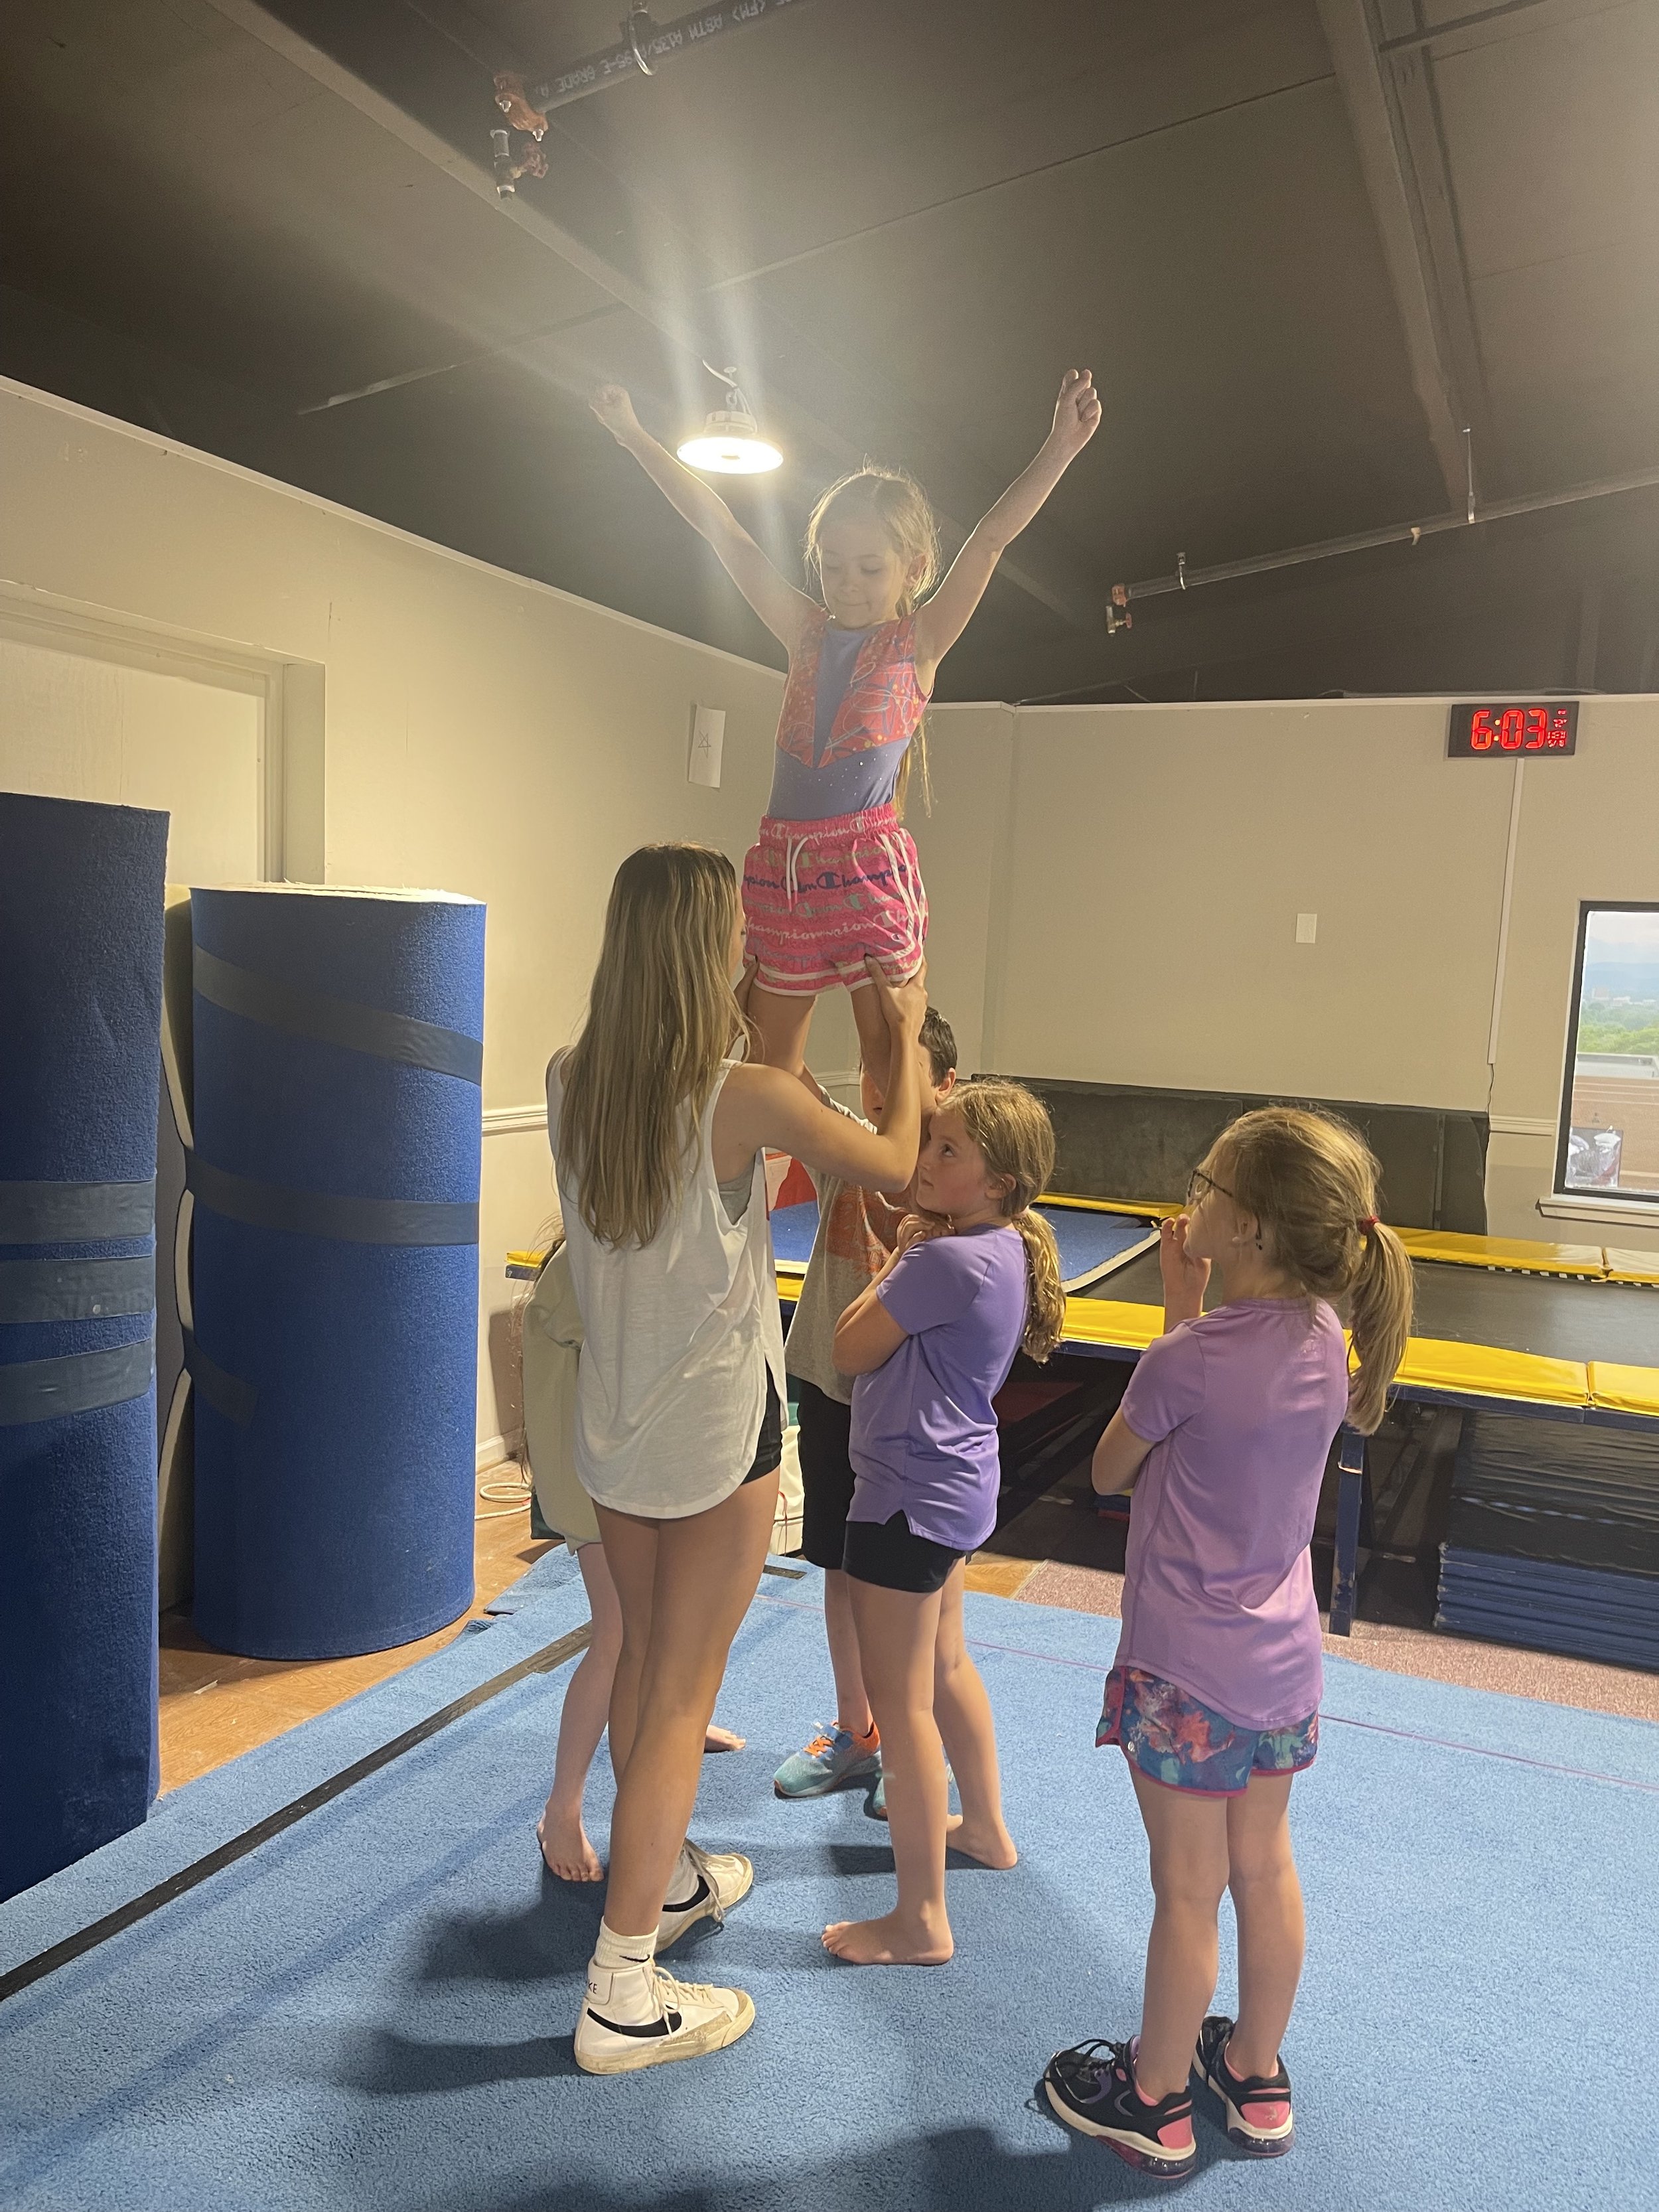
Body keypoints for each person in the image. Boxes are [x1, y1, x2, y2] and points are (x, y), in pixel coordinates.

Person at [548, 842, 928, 2075]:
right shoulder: (733, 1096)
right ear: (717, 952)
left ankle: (656, 1894)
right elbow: (899, 1160)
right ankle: (622, 1990)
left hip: (617, 1432)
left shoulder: (573, 1079)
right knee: (676, 1702)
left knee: (650, 1673)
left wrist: (789, 1003)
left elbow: (750, 1130)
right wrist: (907, 1027)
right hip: (713, 1437)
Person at [1044, 1109, 1413, 2175]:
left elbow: (1114, 1470)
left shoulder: (1188, 1358)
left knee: (1186, 1892)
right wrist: (1185, 1313)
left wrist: (1177, 1322)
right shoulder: (1326, 1347)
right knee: (1266, 1865)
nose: (1188, 1197)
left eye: (1204, 1184)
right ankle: (1254, 2070)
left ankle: (1153, 2095)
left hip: (1184, 1668)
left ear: (1245, 1225)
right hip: (1283, 1663)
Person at [589, 372, 1100, 1087]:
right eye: (832, 566)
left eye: (868, 568)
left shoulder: (917, 642)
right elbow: (726, 534)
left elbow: (987, 542)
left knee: (888, 1063)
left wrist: (1060, 447)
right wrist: (635, 435)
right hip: (786, 870)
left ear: (912, 567)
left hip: (864, 868)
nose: (847, 584)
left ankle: (885, 1193)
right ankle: (811, 1177)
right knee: (767, 1067)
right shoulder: (803, 629)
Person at [821, 1082, 1066, 1966]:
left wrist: (898, 1257)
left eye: (949, 1150)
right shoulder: (998, 1249)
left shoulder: (943, 1261)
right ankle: (988, 1830)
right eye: (933, 1142)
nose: (927, 1159)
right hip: (953, 1487)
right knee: (947, 1664)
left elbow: (848, 1347)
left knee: (904, 1708)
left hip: (905, 1496)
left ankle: (920, 1917)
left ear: (997, 1181)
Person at [771, 1007, 960, 1812]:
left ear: (944, 1088)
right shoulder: (852, 1147)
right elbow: (793, 1081)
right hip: (829, 1385)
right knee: (840, 1570)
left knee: (919, 1591)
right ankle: (860, 1729)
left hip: (907, 1414)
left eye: (900, 1074)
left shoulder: (956, 1177)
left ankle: (915, 1742)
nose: (879, 1090)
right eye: (873, 1075)